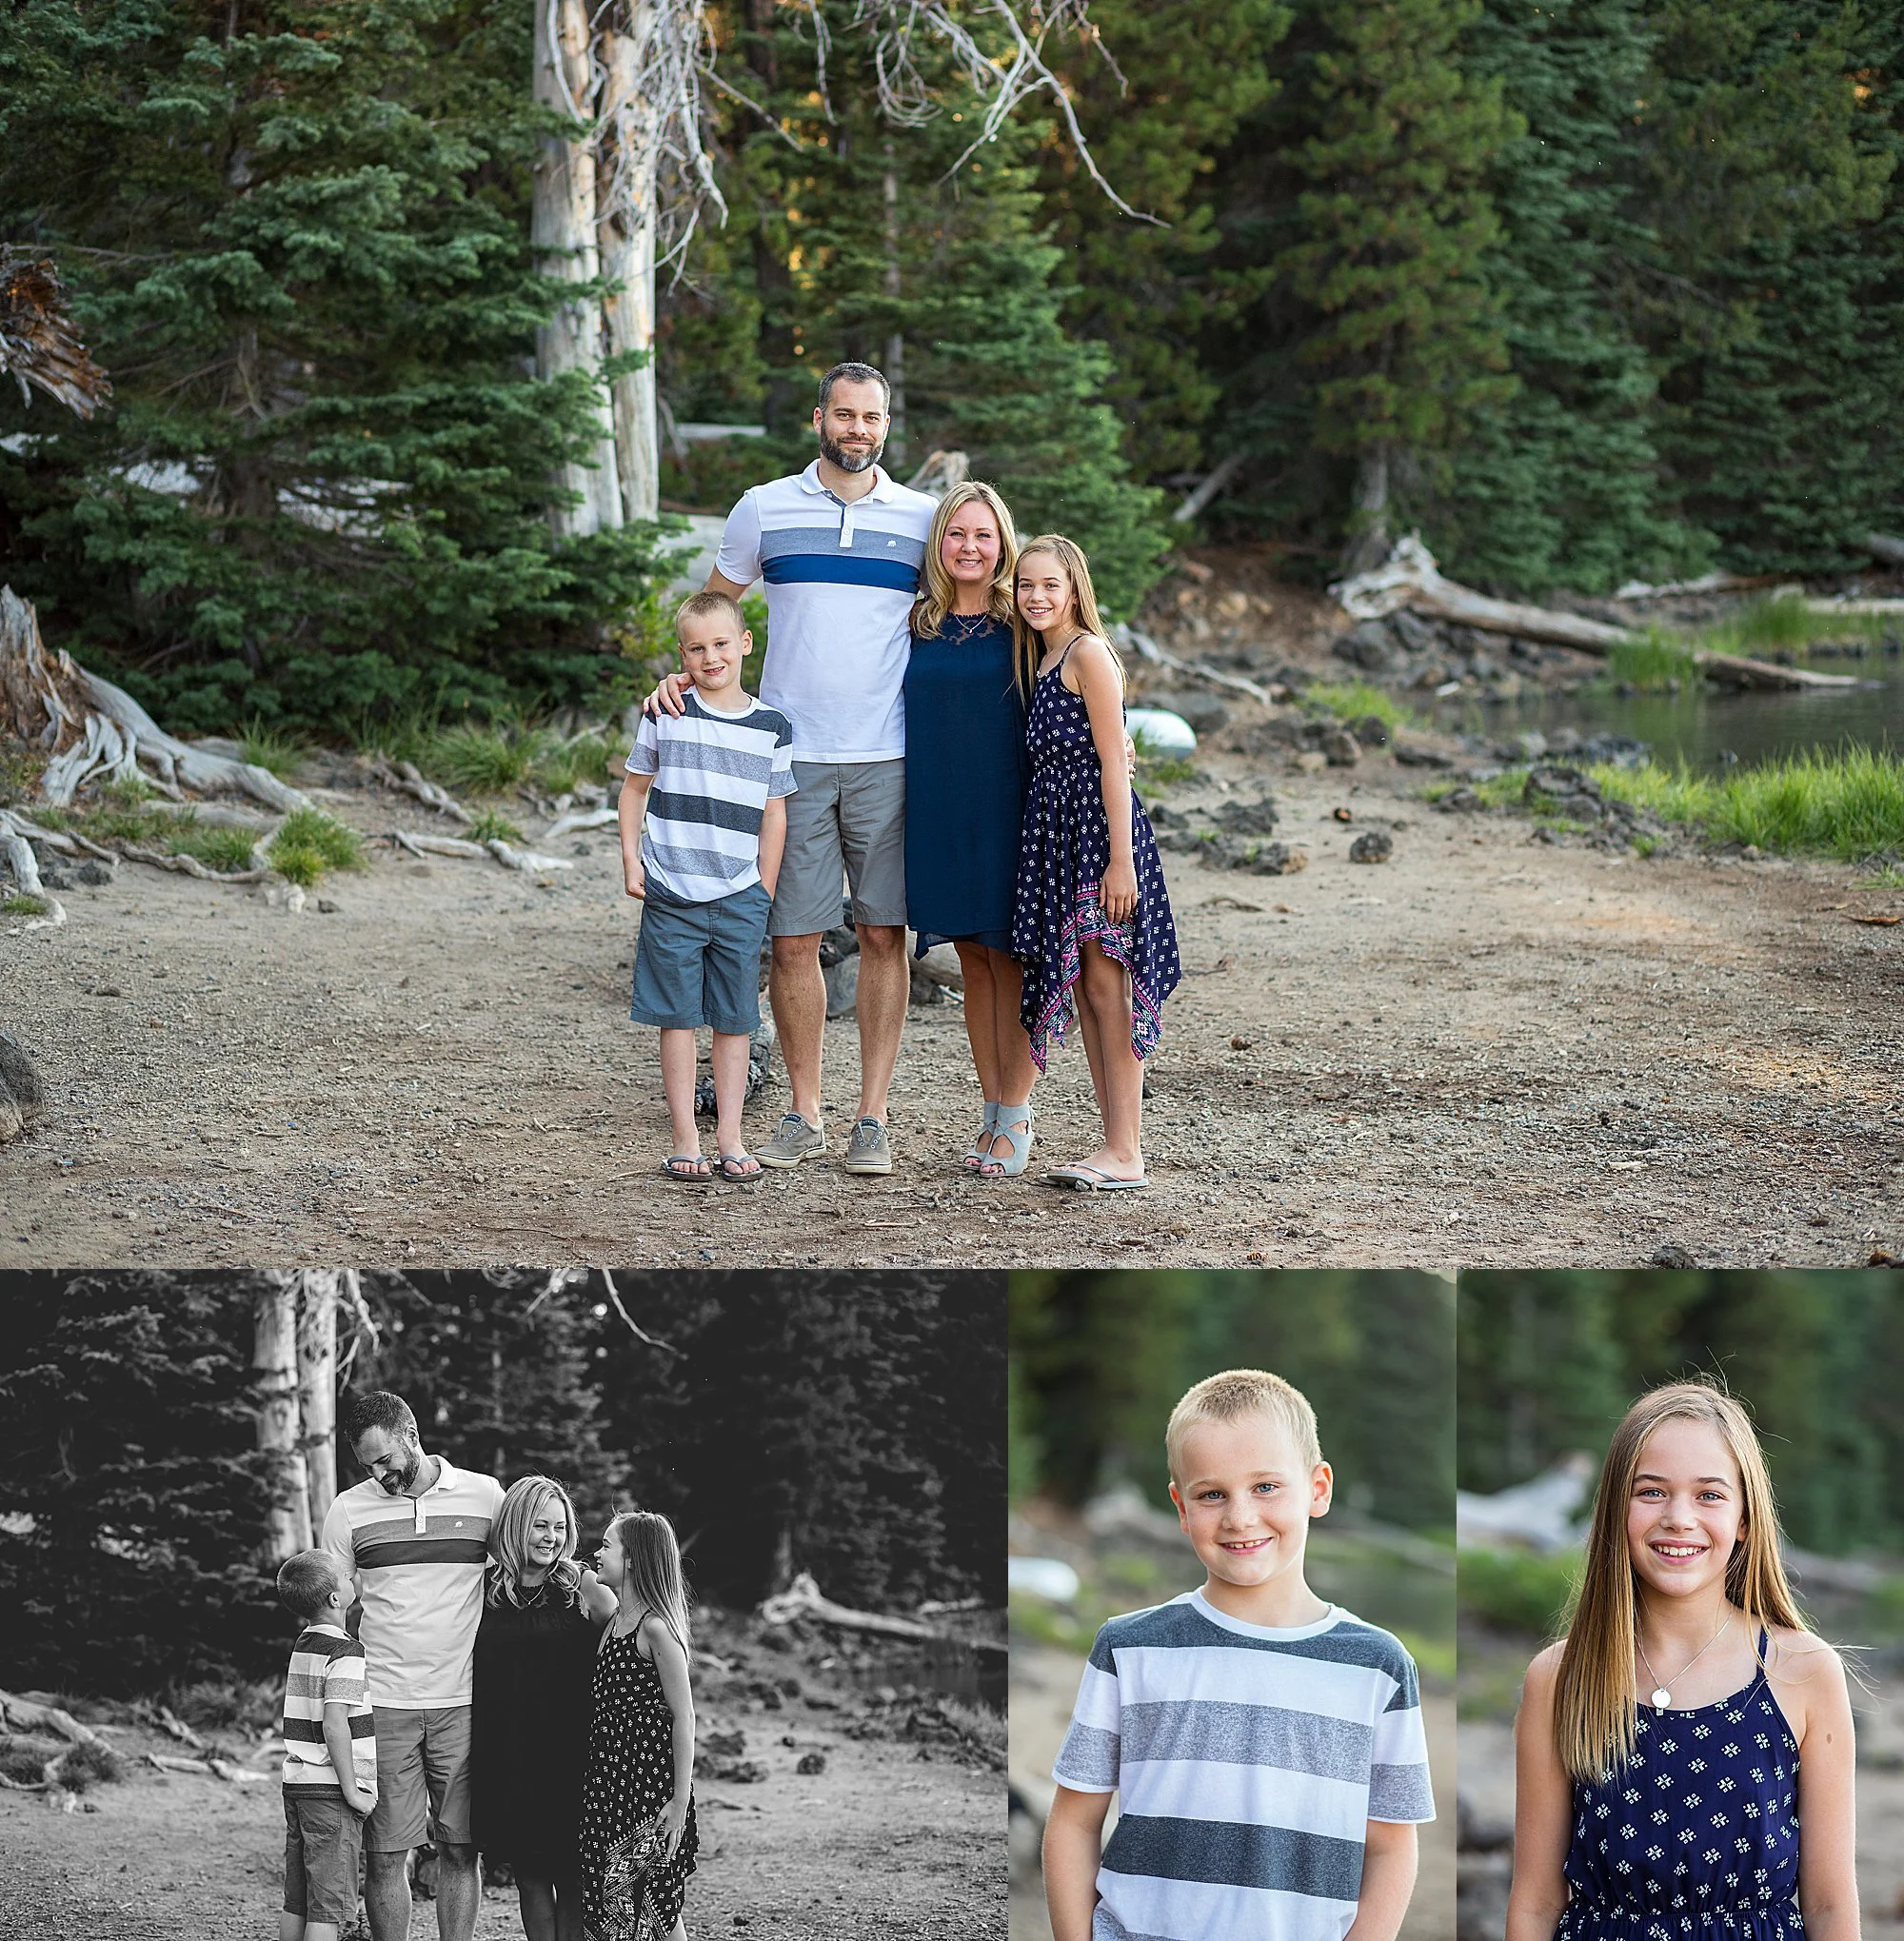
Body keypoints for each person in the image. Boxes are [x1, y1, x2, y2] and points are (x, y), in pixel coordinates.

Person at [649, 361, 938, 1177]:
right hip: (786, 762)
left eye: (871, 417)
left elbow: (970, 621)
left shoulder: (921, 518)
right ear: (819, 419)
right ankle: (805, 1112)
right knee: (792, 939)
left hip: (887, 754)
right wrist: (683, 676)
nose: (857, 429)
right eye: (843, 415)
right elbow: (716, 612)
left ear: (887, 424)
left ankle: (871, 1118)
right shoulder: (765, 508)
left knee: (886, 932)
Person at [1042, 1368, 1435, 1941]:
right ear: (1181, 1506)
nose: (1239, 1517)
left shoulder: (1377, 1666)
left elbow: (1393, 1847)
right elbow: (1074, 1824)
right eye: (1212, 1494)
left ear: (1318, 1489)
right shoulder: (1129, 1648)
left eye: (1266, 1487)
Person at [1505, 1382, 1858, 1941]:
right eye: (1651, 1491)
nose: (1678, 1518)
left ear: (1745, 1519)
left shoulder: (1805, 1671)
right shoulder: (1559, 1677)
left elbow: (1829, 1906)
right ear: (1615, 1508)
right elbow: (1536, 1903)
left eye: (1709, 1495)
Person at [1010, 535, 1180, 1191]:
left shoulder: (1087, 655)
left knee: (1111, 990)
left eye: (1050, 585)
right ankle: (1114, 1144)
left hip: (1099, 838)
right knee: (1086, 990)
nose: (1037, 596)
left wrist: (1120, 861)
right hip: (1057, 835)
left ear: (1076, 588)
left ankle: (1126, 1149)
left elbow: (1115, 761)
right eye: (1026, 585)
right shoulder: (1043, 655)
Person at [621, 589, 795, 1183]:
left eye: (721, 644)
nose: (710, 657)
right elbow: (634, 789)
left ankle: (731, 1135)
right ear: (682, 655)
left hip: (740, 896)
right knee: (677, 1017)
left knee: (735, 1019)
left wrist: (763, 887)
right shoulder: (666, 713)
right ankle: (685, 1136)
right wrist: (630, 860)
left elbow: (776, 811)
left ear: (745, 644)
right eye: (696, 648)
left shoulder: (771, 727)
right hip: (672, 893)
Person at [322, 1391, 505, 1941]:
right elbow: (331, 1606)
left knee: (460, 1848)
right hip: (383, 1703)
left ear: (412, 1437)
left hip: (465, 1701)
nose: (379, 1475)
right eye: (368, 1465)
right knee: (383, 1857)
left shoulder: (484, 1496)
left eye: (385, 1459)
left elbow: (521, 1576)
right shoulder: (349, 1509)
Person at [902, 480, 1039, 1176]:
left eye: (983, 535)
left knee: (1009, 961)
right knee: (973, 962)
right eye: (958, 533)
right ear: (940, 542)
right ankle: (990, 1111)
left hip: (1009, 810)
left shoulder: (1026, 621)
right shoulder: (916, 622)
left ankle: (1016, 1114)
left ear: (1002, 544)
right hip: (939, 808)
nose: (969, 546)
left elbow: (1087, 673)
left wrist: (1120, 744)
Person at [470, 1477, 618, 1941]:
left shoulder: (584, 1587)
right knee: (530, 1874)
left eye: (559, 1526)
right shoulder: (485, 1590)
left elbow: (629, 1646)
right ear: (516, 1526)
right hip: (508, 1751)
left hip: (573, 1752)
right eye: (540, 1525)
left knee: (572, 1874)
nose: (551, 1537)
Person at [580, 1510, 699, 1941]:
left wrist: (679, 1802)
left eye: (607, 1545)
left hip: (648, 1789)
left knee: (654, 1905)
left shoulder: (655, 1628)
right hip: (609, 1783)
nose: (597, 1552)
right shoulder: (613, 1623)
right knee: (614, 1901)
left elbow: (684, 1717)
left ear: (633, 1560)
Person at [276, 1550, 378, 1941]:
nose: (352, 1578)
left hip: (299, 1787)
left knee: (298, 1900)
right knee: (329, 1907)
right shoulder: (346, 1651)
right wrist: (352, 1791)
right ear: (336, 1599)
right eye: (344, 1576)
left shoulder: (305, 1643)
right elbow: (335, 1724)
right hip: (331, 1793)